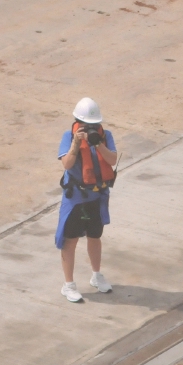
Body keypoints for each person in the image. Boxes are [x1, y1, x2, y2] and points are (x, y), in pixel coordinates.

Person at [56, 97, 118, 302]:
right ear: (77, 122)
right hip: (76, 198)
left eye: (94, 125)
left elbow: (112, 160)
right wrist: (76, 142)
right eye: (87, 126)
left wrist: (98, 143)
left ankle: (96, 275)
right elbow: (67, 164)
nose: (91, 129)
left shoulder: (105, 136)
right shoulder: (68, 136)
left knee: (95, 236)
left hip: (97, 196)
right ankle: (69, 285)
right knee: (70, 240)